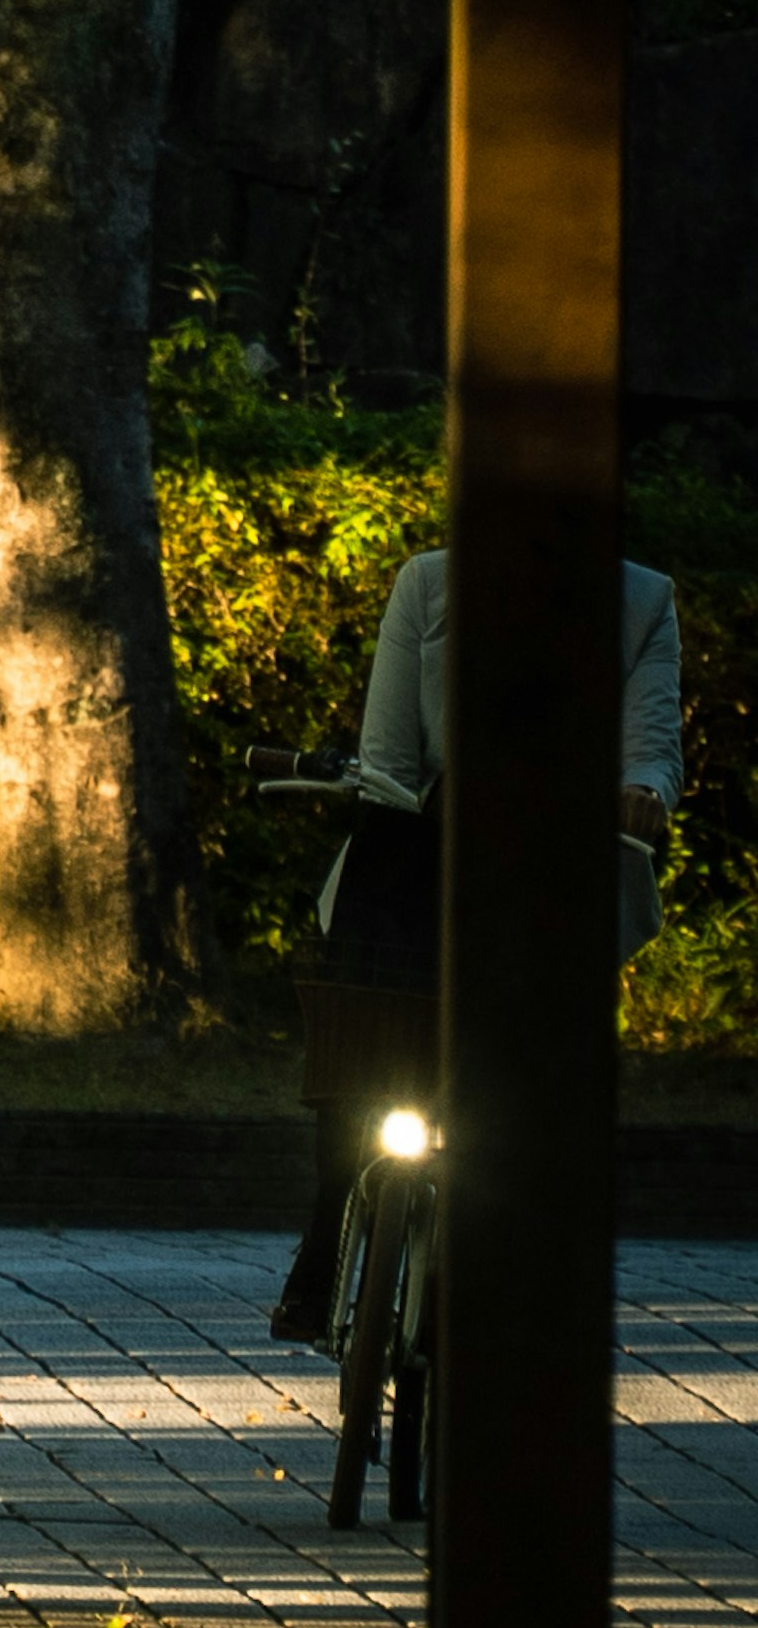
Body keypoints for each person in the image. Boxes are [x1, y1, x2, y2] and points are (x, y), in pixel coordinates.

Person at [269, 542, 682, 1347]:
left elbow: (651, 735)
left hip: (549, 862)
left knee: (529, 1077)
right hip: (422, 840)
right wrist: (392, 797)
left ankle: (510, 1270)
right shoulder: (430, 583)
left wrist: (642, 790)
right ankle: (326, 1242)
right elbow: (388, 747)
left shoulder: (640, 600)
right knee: (364, 1027)